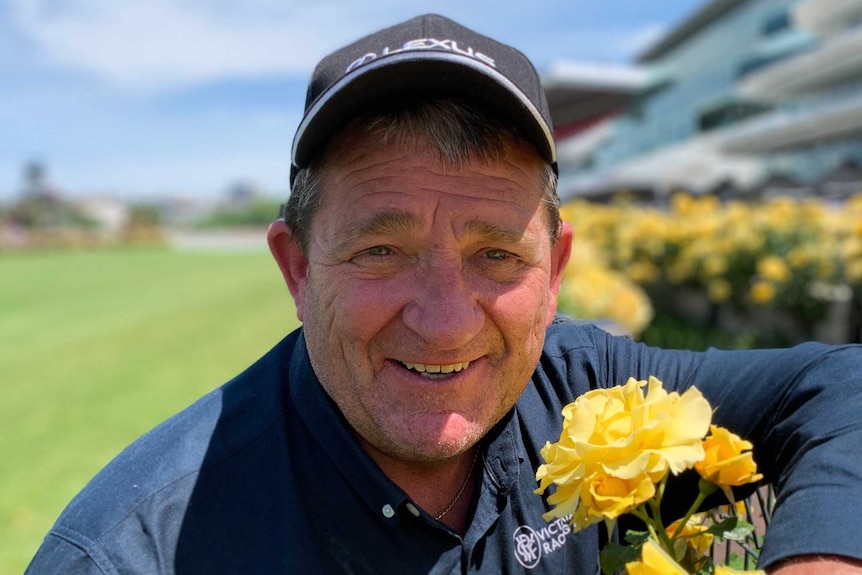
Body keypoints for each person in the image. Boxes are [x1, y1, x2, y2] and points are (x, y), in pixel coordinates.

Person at [26, 14, 862, 575]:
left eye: (497, 253)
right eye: (382, 250)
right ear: (298, 268)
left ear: (555, 269)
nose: (446, 320)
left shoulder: (583, 384)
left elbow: (842, 383)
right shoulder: (132, 552)